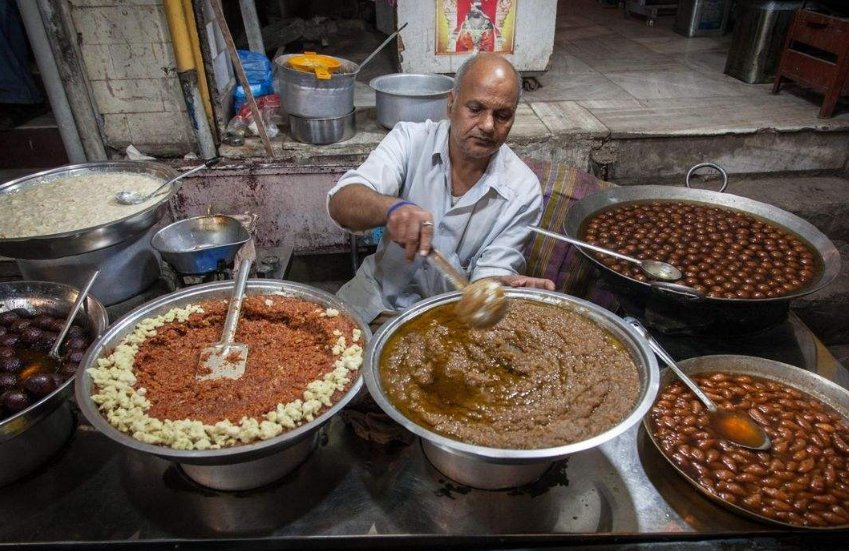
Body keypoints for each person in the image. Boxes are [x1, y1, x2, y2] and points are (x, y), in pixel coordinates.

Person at [327, 52, 554, 324]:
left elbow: (489, 277)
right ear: (451, 104)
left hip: (449, 321)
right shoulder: (409, 140)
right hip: (375, 300)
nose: (487, 126)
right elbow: (341, 203)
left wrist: (504, 288)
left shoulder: (523, 190)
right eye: (475, 109)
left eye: (502, 115)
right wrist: (391, 208)